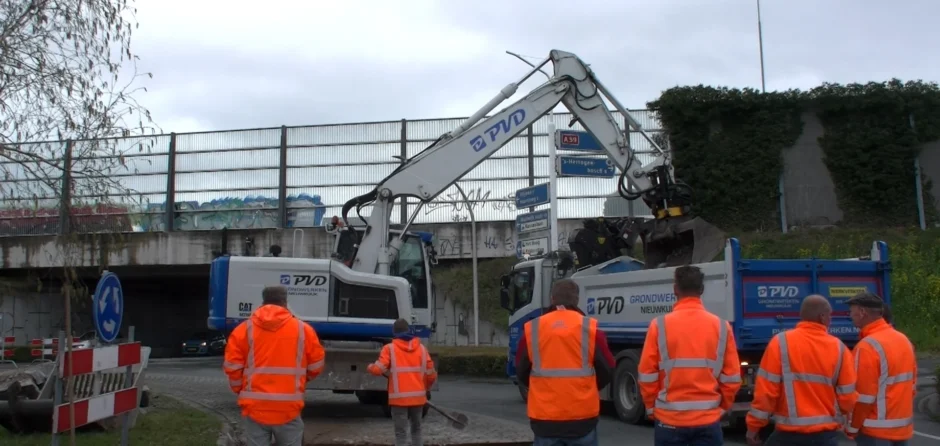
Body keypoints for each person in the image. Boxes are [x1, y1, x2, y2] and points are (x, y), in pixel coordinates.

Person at [638, 265, 742, 446]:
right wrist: (722, 407)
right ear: (701, 290)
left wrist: (651, 407)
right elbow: (732, 378)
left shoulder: (659, 325)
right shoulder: (722, 327)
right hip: (708, 420)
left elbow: (647, 375)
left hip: (669, 419)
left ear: (675, 289)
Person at [745, 294, 858, 446]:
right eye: (829, 315)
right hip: (825, 435)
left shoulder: (780, 343)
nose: (830, 320)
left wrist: (753, 427)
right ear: (822, 317)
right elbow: (848, 398)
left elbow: (766, 392)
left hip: (788, 435)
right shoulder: (840, 349)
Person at [515, 279, 614, 446]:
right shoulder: (590, 328)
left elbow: (521, 370)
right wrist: (586, 387)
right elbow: (608, 369)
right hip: (582, 419)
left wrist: (541, 388)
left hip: (545, 419)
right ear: (576, 300)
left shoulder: (533, 329)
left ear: (552, 299)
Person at [223, 285, 326, 446]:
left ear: (263, 302)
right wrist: (299, 381)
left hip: (255, 408)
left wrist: (242, 390)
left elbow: (232, 368)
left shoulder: (243, 330)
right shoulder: (303, 330)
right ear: (285, 302)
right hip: (288, 409)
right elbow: (316, 365)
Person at [845, 292, 916, 446]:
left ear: (862, 312)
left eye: (851, 311)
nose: (850, 316)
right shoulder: (904, 340)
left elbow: (863, 397)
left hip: (875, 431)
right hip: (901, 429)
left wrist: (853, 427)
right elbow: (912, 386)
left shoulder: (867, 347)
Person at [368, 318, 438, 446]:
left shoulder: (389, 349)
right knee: (417, 430)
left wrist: (370, 367)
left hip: (399, 400)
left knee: (401, 434)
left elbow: (378, 370)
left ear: (394, 333)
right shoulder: (422, 349)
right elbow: (431, 375)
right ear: (409, 330)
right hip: (418, 399)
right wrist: (425, 389)